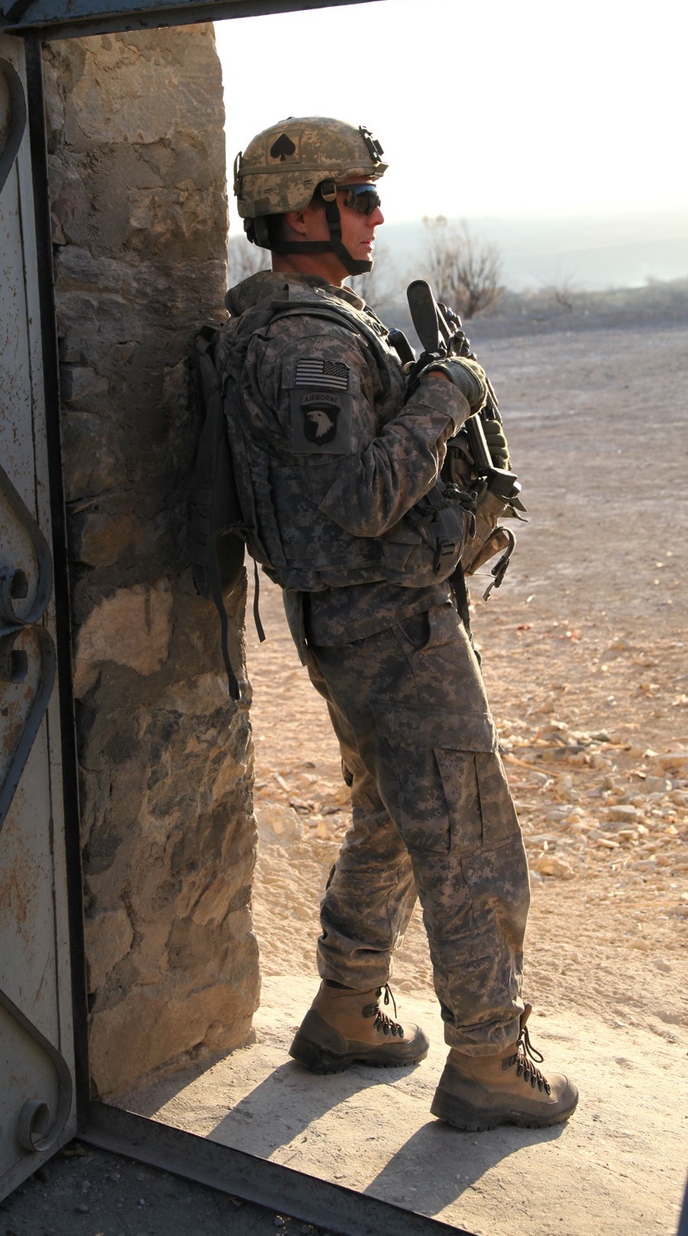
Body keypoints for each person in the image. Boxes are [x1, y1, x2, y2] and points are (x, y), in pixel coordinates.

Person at [217, 116, 578, 1132]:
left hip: (352, 617)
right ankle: (488, 1062)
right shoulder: (307, 349)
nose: (377, 215)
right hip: (387, 625)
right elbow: (368, 496)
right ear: (302, 213)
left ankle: (345, 1005)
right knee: (468, 833)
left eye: (373, 197)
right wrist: (444, 397)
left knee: (387, 812)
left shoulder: (305, 323)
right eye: (358, 197)